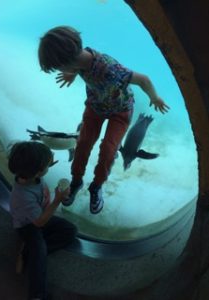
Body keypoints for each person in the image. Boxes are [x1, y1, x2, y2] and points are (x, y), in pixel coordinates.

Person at [38, 26, 170, 214]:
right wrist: (71, 73)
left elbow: (143, 79)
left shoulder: (109, 68)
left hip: (120, 112)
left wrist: (154, 98)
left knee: (108, 150)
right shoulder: (80, 59)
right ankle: (76, 181)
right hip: (96, 106)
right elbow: (80, 64)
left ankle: (96, 186)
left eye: (60, 68)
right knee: (82, 143)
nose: (61, 70)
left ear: (68, 61)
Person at [8, 141, 77, 300]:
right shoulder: (23, 196)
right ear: (38, 172)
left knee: (70, 231)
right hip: (28, 226)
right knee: (39, 253)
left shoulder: (27, 174)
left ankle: (27, 253)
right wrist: (57, 200)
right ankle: (37, 295)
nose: (50, 165)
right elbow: (39, 223)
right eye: (47, 165)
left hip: (39, 215)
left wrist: (46, 163)